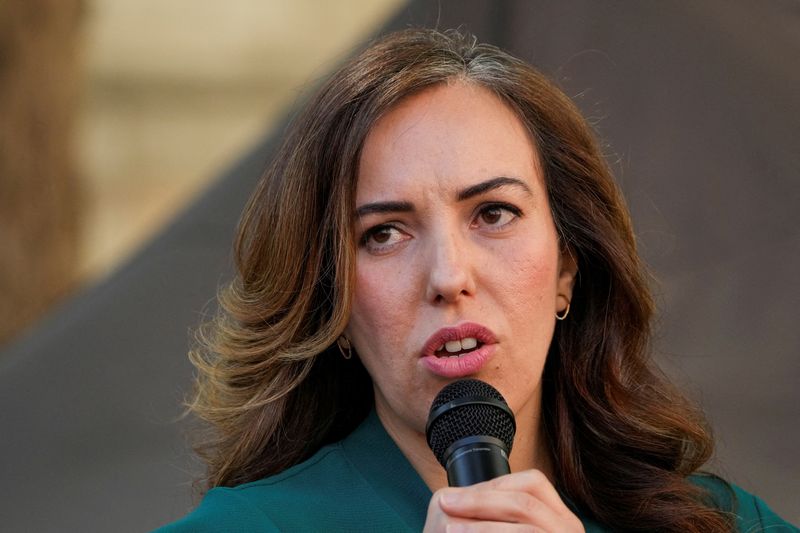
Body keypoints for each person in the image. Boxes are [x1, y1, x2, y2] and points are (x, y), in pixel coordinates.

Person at [155, 29, 796, 532]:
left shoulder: (725, 525)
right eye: (384, 233)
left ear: (568, 267)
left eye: (493, 214)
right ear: (335, 302)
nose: (449, 276)